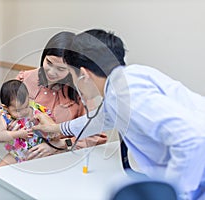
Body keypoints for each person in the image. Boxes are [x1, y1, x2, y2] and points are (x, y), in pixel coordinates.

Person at [32, 29, 205, 200]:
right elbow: (101, 119)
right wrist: (57, 128)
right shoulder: (125, 82)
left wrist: (171, 194)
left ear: (83, 74)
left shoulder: (124, 95)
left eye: (71, 74)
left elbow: (193, 139)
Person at [15, 31, 107, 160]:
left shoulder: (81, 92)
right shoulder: (24, 79)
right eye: (49, 63)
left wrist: (60, 145)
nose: (52, 72)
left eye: (61, 69)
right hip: (23, 154)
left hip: (63, 157)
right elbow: (7, 113)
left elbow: (96, 137)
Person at [0, 79, 54, 166]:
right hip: (17, 154)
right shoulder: (5, 116)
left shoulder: (37, 110)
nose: (23, 112)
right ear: (6, 108)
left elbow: (53, 128)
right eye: (18, 110)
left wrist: (39, 122)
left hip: (40, 151)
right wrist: (18, 134)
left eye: (26, 106)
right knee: (1, 167)